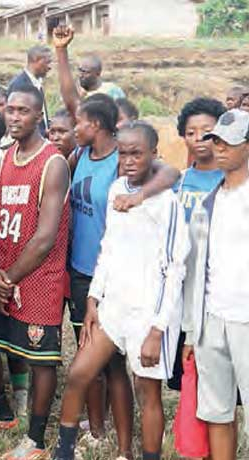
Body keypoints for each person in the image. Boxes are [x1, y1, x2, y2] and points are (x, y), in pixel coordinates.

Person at [53, 121, 189, 460]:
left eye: (137, 154)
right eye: (124, 154)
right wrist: (93, 299)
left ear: (154, 155)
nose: (129, 161)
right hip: (113, 307)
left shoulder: (167, 203)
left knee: (148, 393)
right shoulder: (115, 191)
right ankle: (63, 452)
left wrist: (158, 330)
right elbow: (108, 249)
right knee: (79, 373)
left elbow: (174, 269)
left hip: (148, 314)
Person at [0, 86, 70, 460]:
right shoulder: (8, 155)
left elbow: (46, 235)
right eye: (10, 110)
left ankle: (35, 440)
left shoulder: (53, 162)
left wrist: (10, 277)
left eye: (23, 111)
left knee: (41, 358)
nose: (14, 117)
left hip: (38, 276)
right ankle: (4, 411)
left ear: (39, 116)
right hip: (4, 270)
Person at [182, 108, 249, 460]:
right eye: (216, 141)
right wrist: (193, 332)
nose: (220, 148)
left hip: (246, 320)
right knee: (216, 410)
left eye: (229, 143)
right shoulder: (208, 203)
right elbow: (196, 271)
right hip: (212, 322)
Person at [174, 97, 226, 223]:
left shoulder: (234, 180)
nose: (198, 138)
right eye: (191, 133)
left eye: (207, 132)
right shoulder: (178, 181)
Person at [7, 45, 52, 130]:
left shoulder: (36, 83)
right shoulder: (19, 85)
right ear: (35, 60)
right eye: (47, 62)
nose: (49, 67)